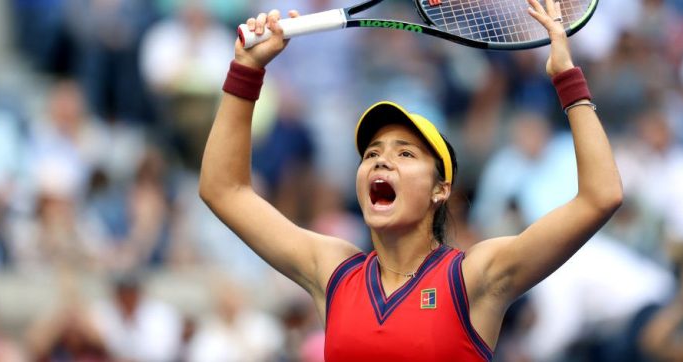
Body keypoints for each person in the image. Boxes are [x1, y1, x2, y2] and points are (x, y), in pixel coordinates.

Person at [198, 1, 622, 360]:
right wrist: (246, 70)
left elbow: (600, 197)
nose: (382, 162)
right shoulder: (333, 272)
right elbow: (223, 190)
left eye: (405, 153)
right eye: (371, 154)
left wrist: (566, 77)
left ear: (442, 189)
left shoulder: (475, 276)